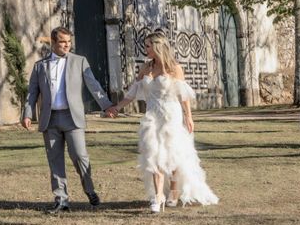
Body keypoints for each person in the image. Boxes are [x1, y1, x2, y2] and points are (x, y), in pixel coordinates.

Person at [110, 32, 218, 213]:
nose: (145, 49)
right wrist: (117, 107)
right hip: (152, 116)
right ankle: (158, 195)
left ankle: (174, 191)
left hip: (172, 115)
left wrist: (188, 116)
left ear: (158, 46)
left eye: (147, 46)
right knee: (153, 153)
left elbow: (183, 96)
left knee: (173, 154)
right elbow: (132, 93)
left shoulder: (174, 68)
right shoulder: (145, 68)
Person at [22, 27, 118, 213]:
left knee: (80, 156)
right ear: (53, 42)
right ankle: (61, 200)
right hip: (49, 119)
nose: (66, 45)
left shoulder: (79, 61)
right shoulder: (40, 66)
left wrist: (106, 105)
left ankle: (89, 190)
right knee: (55, 160)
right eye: (62, 42)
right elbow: (32, 92)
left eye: (69, 41)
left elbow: (93, 84)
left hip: (72, 117)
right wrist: (27, 113)